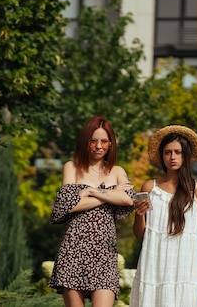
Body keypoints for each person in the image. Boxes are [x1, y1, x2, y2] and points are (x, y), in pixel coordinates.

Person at [49, 116, 135, 307]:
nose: (98, 146)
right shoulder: (71, 167)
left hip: (105, 253)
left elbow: (129, 199)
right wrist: (110, 194)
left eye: (104, 141)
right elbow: (69, 205)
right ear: (85, 141)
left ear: (111, 144)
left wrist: (91, 191)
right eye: (93, 140)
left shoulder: (117, 171)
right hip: (74, 250)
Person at [130, 125, 197, 306]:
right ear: (162, 156)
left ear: (186, 155)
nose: (172, 157)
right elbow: (141, 236)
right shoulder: (149, 188)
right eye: (167, 152)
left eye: (178, 152)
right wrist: (139, 214)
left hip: (188, 268)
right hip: (156, 267)